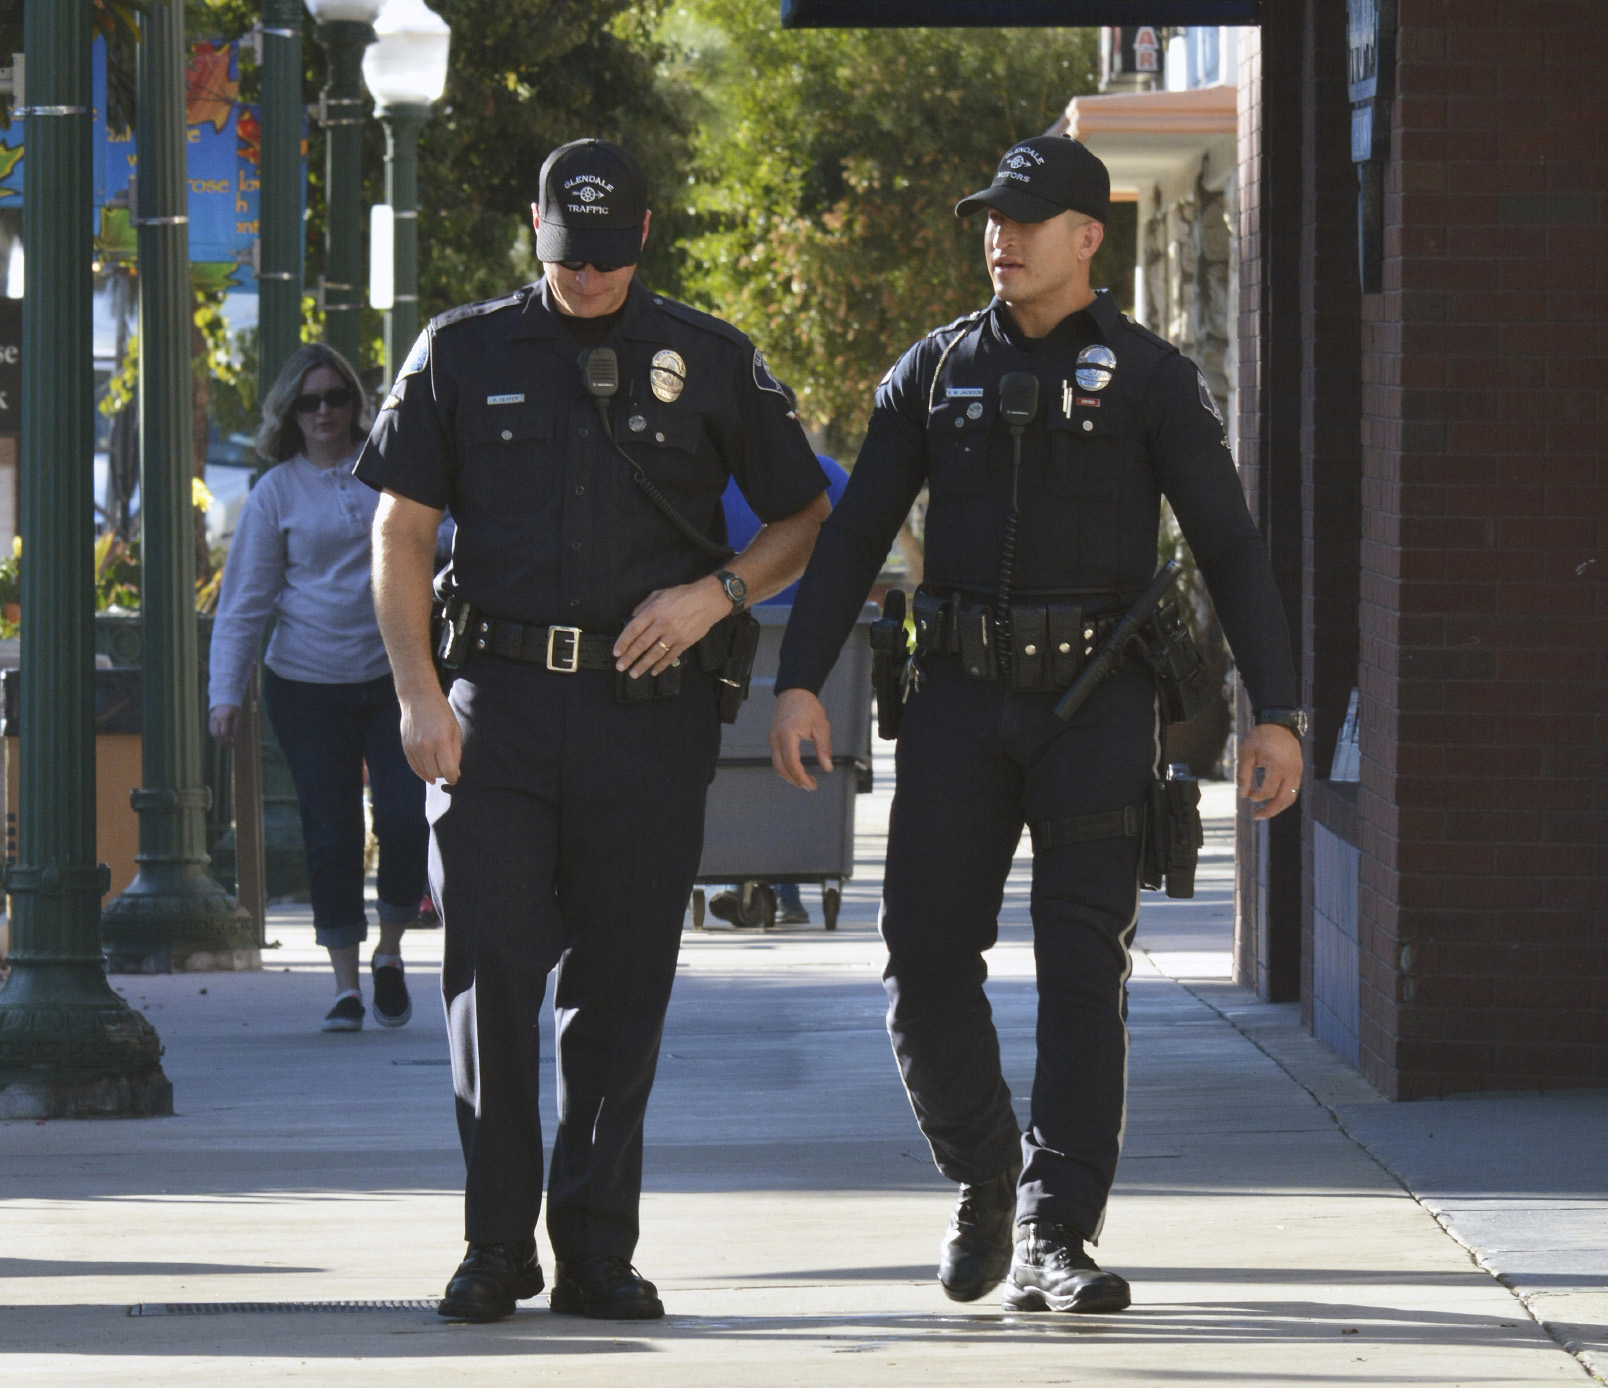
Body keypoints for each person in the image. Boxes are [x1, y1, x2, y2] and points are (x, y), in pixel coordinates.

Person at [769, 136, 1305, 1315]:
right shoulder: (933, 370)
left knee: (1081, 969)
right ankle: (983, 1176)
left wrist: (1283, 708)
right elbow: (855, 533)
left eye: (1025, 219)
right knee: (921, 958)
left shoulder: (1154, 379)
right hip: (958, 699)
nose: (999, 238)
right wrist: (797, 678)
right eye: (991, 218)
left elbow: (1230, 548)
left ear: (1088, 236)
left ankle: (1058, 1230)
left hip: (1095, 708)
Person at [358, 138, 830, 1325]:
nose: (588, 281)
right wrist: (417, 692)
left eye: (610, 261)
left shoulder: (711, 361)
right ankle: (494, 1243)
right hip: (495, 712)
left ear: (647, 237)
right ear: (535, 228)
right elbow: (402, 533)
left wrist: (717, 593)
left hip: (645, 717)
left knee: (621, 988)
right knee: (490, 977)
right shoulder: (460, 352)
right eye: (570, 260)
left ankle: (597, 1249)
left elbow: (805, 512)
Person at [208, 343, 428, 1033]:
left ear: (355, 404)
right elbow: (246, 599)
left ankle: (389, 951)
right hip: (304, 684)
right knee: (329, 834)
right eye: (311, 402)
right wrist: (226, 691)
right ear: (290, 413)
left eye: (336, 397)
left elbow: (438, 541)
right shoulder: (275, 492)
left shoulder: (387, 471)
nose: (325, 411)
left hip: (394, 676)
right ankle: (345, 986)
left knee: (402, 819)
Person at [709, 414, 849, 928]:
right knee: (801, 760)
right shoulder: (831, 476)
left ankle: (730, 874)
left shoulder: (707, 480)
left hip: (726, 645)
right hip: (813, 656)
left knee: (730, 758)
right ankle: (788, 887)